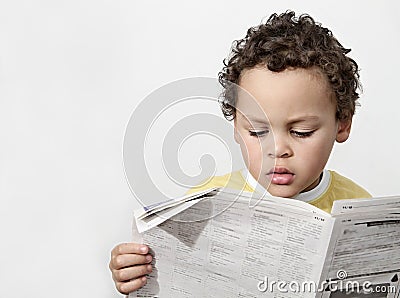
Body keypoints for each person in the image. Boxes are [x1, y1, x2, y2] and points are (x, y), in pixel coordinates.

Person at [109, 10, 371, 295]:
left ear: (342, 124)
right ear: (235, 124)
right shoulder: (208, 201)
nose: (278, 150)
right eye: (257, 132)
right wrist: (134, 271)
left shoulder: (358, 206)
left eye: (301, 132)